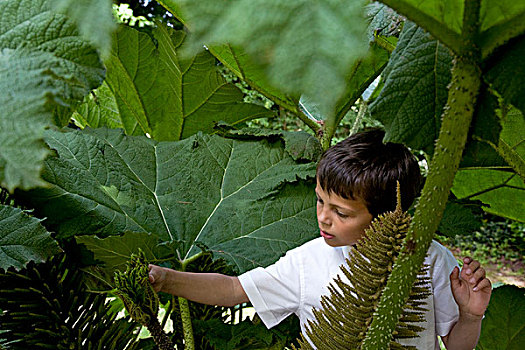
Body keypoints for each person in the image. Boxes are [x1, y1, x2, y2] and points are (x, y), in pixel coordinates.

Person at [148, 129, 492, 349]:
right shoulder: (307, 261)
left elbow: (455, 345)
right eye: (319, 200)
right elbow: (234, 290)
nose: (323, 217)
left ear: (389, 215)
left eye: (341, 213)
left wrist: (470, 316)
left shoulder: (431, 260)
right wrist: (167, 279)